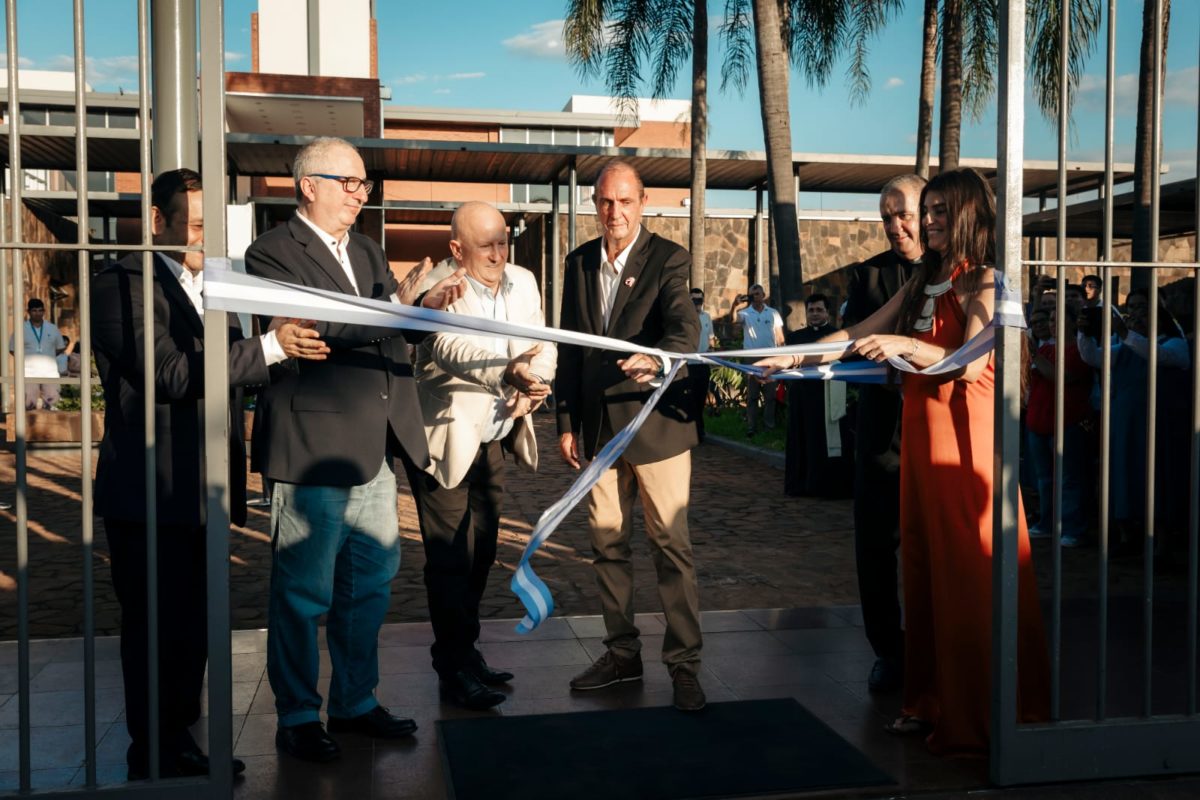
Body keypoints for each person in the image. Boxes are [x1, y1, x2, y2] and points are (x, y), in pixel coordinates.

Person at [756, 167, 1049, 755]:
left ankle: (981, 713)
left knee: (969, 577)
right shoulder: (921, 282)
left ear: (967, 214)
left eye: (940, 210)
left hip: (967, 453)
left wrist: (902, 346)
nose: (929, 221)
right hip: (921, 442)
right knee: (923, 573)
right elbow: (855, 334)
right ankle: (930, 700)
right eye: (929, 209)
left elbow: (966, 360)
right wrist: (789, 359)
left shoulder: (990, 280)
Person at [92, 168, 329, 780]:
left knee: (195, 628)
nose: (205, 237)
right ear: (155, 222)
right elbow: (171, 374)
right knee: (153, 633)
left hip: (208, 491)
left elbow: (236, 375)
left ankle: (181, 741)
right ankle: (152, 753)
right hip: (149, 493)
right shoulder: (120, 285)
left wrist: (287, 355)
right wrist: (271, 348)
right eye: (196, 225)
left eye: (210, 225)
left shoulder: (215, 285)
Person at [245, 137, 465, 763]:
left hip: (375, 445)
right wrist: (404, 308)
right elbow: (325, 324)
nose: (359, 194)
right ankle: (294, 714)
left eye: (364, 184)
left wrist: (423, 319)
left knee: (368, 586)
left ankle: (354, 701)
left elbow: (386, 335)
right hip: (312, 448)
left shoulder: (368, 250)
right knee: (302, 591)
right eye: (349, 182)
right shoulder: (271, 252)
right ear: (308, 184)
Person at [555, 160, 705, 712]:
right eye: (604, 202)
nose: (613, 213)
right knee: (606, 546)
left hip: (655, 427)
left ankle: (685, 664)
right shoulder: (576, 263)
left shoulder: (669, 258)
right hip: (597, 433)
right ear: (595, 205)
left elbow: (685, 330)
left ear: (643, 202)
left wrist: (657, 359)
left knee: (671, 546)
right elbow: (569, 346)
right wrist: (567, 422)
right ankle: (621, 654)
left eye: (624, 201)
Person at [405, 201, 557, 710]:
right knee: (450, 557)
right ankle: (451, 668)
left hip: (496, 433)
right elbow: (449, 347)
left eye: (502, 241)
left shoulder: (524, 279)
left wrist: (539, 383)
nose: (498, 252)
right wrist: (506, 372)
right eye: (485, 244)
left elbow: (543, 340)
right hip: (446, 439)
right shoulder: (441, 288)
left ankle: (467, 653)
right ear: (456, 249)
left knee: (483, 552)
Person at [837, 173, 924, 693]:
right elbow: (850, 342)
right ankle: (888, 652)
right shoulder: (868, 278)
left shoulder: (956, 273)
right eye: (886, 216)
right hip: (880, 435)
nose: (894, 225)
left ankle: (936, 645)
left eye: (903, 214)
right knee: (873, 546)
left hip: (938, 436)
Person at [783, 293, 849, 498]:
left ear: (827, 312)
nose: (815, 314)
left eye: (819, 310)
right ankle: (801, 484)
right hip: (802, 397)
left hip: (829, 396)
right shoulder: (795, 338)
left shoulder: (838, 337)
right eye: (811, 310)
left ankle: (827, 485)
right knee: (801, 438)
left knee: (826, 440)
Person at [731, 284, 784, 436]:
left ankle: (769, 427)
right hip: (752, 359)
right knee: (753, 395)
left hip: (770, 358)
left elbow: (779, 337)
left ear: (763, 295)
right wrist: (735, 306)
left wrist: (782, 355)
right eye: (752, 294)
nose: (755, 296)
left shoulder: (773, 313)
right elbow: (734, 320)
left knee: (770, 396)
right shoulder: (745, 313)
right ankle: (751, 427)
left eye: (757, 293)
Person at [9, 298, 66, 410]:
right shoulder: (21, 328)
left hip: (50, 373)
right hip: (28, 373)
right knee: (28, 406)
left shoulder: (52, 328)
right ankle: (27, 427)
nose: (37, 313)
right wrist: (26, 359)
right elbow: (12, 349)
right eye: (34, 310)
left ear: (44, 311)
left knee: (53, 405)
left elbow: (60, 347)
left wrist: (48, 356)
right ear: (28, 312)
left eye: (40, 310)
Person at [689, 287, 715, 441]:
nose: (697, 303)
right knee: (689, 399)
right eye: (694, 300)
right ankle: (693, 432)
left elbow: (711, 338)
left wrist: (713, 353)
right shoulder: (684, 317)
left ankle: (699, 430)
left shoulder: (707, 317)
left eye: (699, 300)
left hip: (703, 364)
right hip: (688, 365)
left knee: (700, 399)